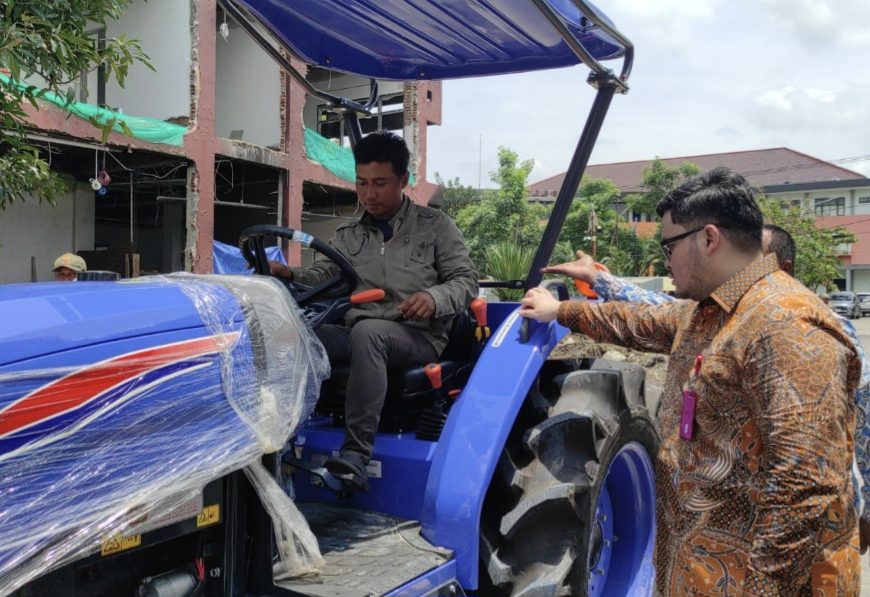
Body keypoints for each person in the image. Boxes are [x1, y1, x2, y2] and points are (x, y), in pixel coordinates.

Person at [520, 167, 861, 594]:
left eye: (669, 245)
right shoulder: (713, 312)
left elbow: (806, 489)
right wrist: (560, 312)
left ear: (709, 238)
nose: (666, 260)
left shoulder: (786, 325)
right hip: (700, 570)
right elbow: (640, 320)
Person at [271, 131, 477, 491]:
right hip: (358, 331)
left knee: (370, 334)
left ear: (403, 181)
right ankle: (275, 437)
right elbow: (326, 274)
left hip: (417, 335)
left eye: (380, 184)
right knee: (291, 330)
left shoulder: (435, 227)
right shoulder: (350, 233)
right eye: (362, 183)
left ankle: (355, 457)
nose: (369, 194)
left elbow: (465, 280)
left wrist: (433, 297)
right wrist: (291, 274)